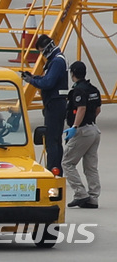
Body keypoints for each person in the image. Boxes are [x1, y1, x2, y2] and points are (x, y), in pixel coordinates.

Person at [21, 34, 69, 175]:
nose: (41, 54)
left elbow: (48, 83)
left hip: (55, 105)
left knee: (51, 140)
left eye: (41, 50)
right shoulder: (57, 60)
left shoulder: (57, 62)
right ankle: (56, 170)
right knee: (55, 139)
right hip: (56, 104)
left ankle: (53, 170)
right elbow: (48, 79)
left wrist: (31, 81)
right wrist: (35, 77)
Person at [63, 61, 101, 209]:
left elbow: (81, 108)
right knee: (91, 166)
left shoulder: (78, 91)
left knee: (67, 163)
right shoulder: (93, 89)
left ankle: (80, 194)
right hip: (94, 130)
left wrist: (75, 126)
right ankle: (93, 197)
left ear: (73, 73)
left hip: (83, 131)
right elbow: (97, 109)